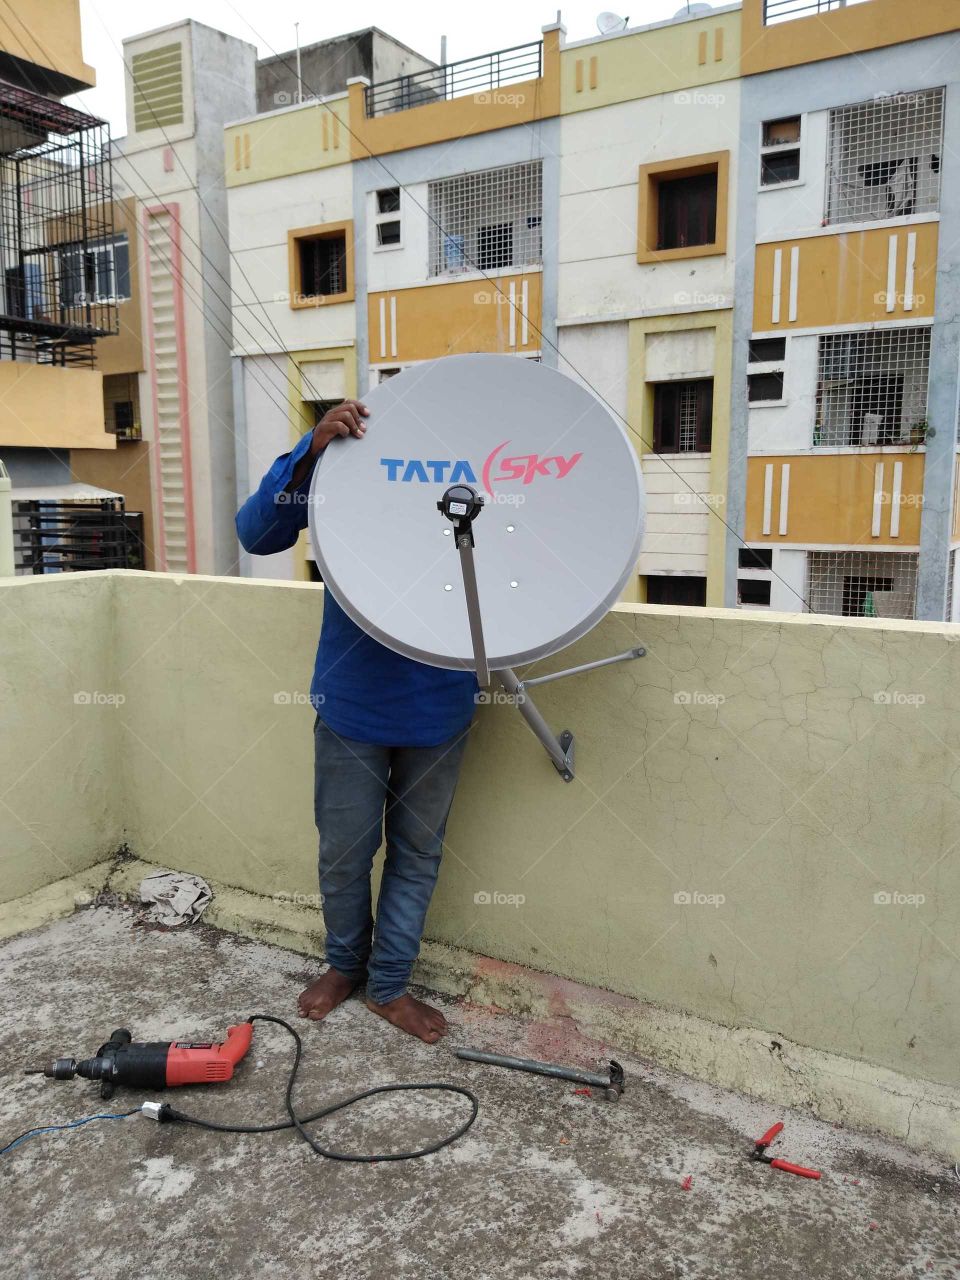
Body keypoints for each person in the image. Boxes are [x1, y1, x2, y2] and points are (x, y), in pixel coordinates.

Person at [236, 400, 477, 1043]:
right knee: (344, 851)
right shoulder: (348, 464)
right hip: (352, 699)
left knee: (417, 852)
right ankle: (345, 967)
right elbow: (258, 534)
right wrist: (311, 451)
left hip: (442, 702)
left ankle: (389, 985)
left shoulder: (476, 483)